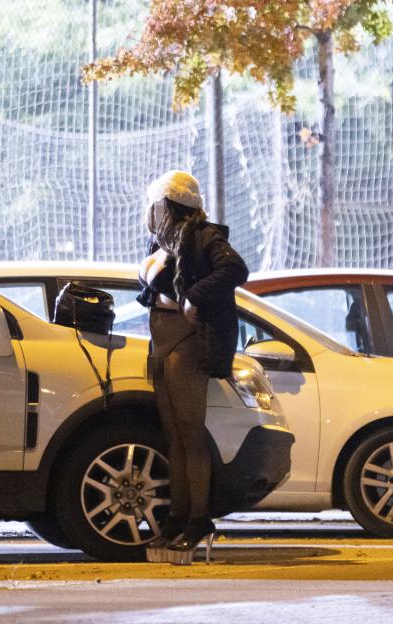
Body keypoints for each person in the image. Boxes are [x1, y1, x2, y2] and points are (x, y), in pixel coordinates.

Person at [136, 170, 249, 564]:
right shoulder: (162, 242)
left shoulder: (203, 236)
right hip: (163, 343)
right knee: (174, 436)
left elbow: (235, 269)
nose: (149, 212)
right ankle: (177, 518)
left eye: (155, 205)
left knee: (189, 433)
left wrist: (195, 297)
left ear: (168, 207)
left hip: (188, 344)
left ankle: (198, 519)